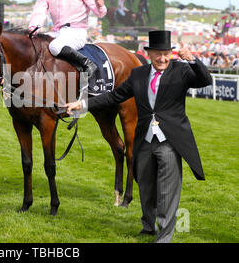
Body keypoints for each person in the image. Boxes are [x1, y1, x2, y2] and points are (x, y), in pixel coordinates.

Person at [65, 30, 212, 243]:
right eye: (158, 54)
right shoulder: (139, 75)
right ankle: (148, 226)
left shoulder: (181, 71)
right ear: (150, 54)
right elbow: (115, 96)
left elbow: (205, 80)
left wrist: (194, 60)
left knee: (167, 192)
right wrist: (83, 104)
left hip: (169, 141)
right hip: (144, 139)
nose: (163, 58)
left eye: (166, 54)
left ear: (171, 54)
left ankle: (163, 237)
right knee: (145, 185)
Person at [28, 0, 107, 81]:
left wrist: (100, 5)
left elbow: (100, 13)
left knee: (54, 47)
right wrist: (33, 29)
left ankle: (88, 64)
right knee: (37, 45)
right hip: (58, 33)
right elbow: (39, 12)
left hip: (77, 32)